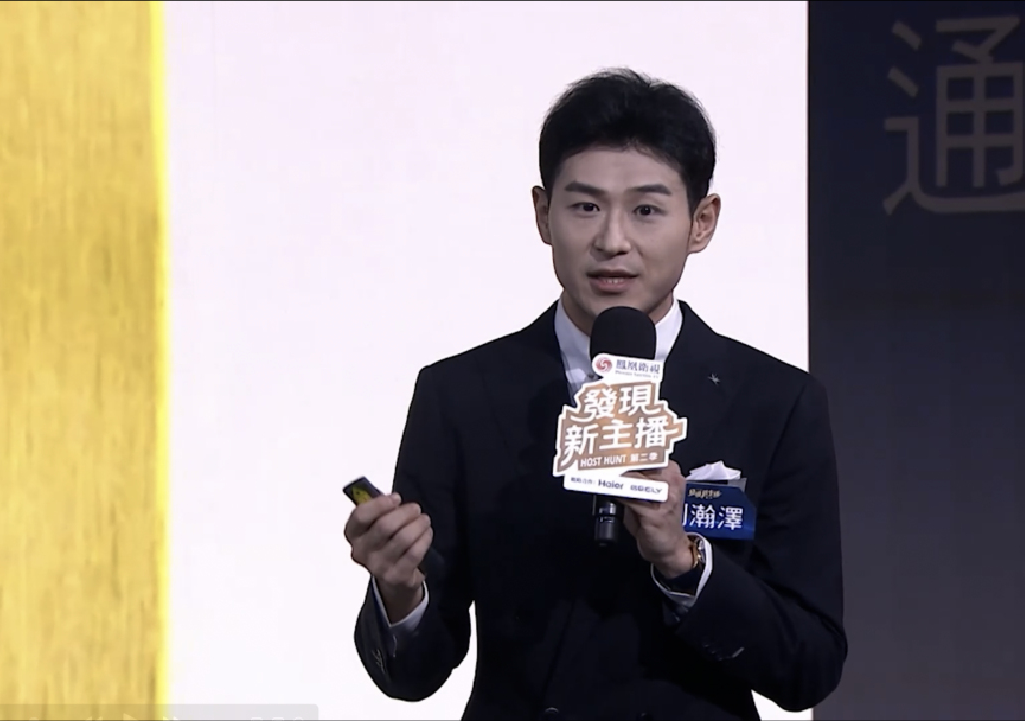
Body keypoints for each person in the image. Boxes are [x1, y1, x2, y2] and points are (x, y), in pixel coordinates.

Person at [345, 68, 847, 721]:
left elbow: (809, 666)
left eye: (646, 210)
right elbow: (413, 674)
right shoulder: (461, 394)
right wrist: (398, 589)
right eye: (585, 207)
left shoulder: (775, 402)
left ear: (701, 222)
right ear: (542, 214)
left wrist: (685, 561)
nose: (613, 241)